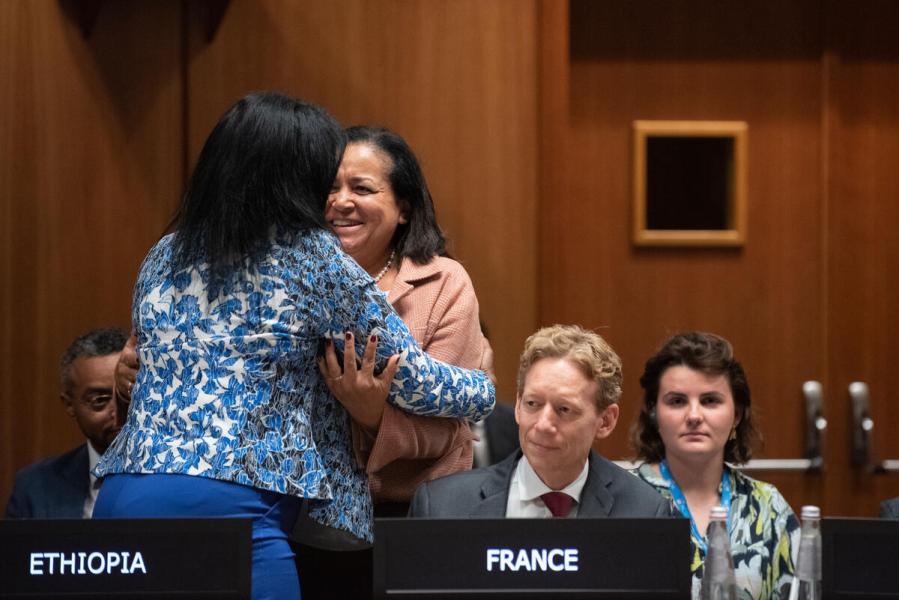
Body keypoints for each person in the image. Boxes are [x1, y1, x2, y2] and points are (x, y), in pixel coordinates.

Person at [92, 92, 494, 600]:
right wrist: (482, 385)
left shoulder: (164, 251)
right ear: (295, 174)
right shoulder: (310, 256)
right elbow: (409, 377)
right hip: (233, 510)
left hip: (122, 495)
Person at [409, 324, 671, 519]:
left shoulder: (644, 512)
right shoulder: (443, 507)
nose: (543, 424)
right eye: (533, 404)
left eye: (564, 409)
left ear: (605, 421)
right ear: (519, 405)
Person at [630, 331, 799, 599]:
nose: (694, 416)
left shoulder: (768, 506)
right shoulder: (622, 498)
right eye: (677, 401)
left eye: (710, 401)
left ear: (737, 415)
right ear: (653, 412)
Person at [5, 328, 127, 519]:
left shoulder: (180, 477)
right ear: (70, 404)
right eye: (100, 400)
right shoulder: (36, 487)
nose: (118, 412)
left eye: (128, 395)